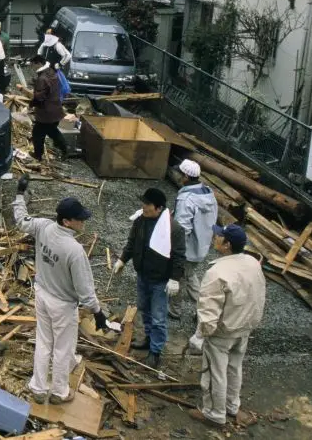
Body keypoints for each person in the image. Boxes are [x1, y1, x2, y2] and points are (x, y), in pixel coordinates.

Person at [13, 174, 109, 405]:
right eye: (79, 219)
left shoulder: (44, 227)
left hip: (42, 294)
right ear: (67, 221)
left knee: (44, 342)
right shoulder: (74, 250)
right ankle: (59, 392)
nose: (82, 222)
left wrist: (19, 194)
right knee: (63, 349)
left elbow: (21, 220)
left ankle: (37, 387)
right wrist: (97, 313)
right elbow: (85, 290)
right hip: (63, 305)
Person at [188, 224, 266, 428]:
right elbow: (258, 294)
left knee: (215, 372)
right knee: (234, 368)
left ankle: (215, 413)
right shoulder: (252, 262)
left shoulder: (217, 272)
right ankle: (232, 406)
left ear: (227, 245)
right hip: (244, 326)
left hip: (223, 331)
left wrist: (201, 335)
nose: (215, 238)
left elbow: (208, 309)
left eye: (218, 237)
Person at [113, 187, 186, 368]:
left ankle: (156, 350)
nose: (143, 206)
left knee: (159, 316)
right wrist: (122, 259)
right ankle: (148, 338)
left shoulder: (173, 229)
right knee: (145, 309)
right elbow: (132, 243)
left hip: (160, 279)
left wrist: (175, 278)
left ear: (159, 208)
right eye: (143, 203)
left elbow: (179, 255)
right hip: (143, 274)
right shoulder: (140, 221)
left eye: (147, 204)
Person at [171, 159, 219, 319]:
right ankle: (203, 310)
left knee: (179, 278)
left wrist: (174, 249)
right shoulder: (208, 192)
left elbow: (182, 228)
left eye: (179, 173)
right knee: (190, 275)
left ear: (185, 176)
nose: (177, 176)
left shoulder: (187, 199)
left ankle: (174, 310)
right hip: (201, 245)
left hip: (187, 248)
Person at [29, 54, 70, 161]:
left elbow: (40, 97)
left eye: (33, 65)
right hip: (55, 109)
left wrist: (30, 99)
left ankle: (39, 155)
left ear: (38, 64)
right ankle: (64, 150)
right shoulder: (51, 72)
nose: (32, 67)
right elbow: (49, 89)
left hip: (46, 113)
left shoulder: (42, 78)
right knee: (51, 132)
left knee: (38, 134)